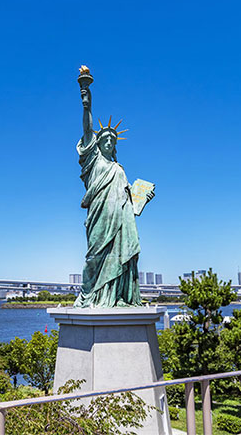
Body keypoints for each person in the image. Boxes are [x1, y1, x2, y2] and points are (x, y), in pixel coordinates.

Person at [74, 69, 154, 308]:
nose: (109, 141)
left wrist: (143, 198)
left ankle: (117, 296)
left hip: (121, 217)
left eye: (112, 140)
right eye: (105, 139)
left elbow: (129, 197)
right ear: (98, 143)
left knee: (121, 254)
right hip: (100, 214)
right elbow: (87, 129)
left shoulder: (119, 168)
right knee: (95, 256)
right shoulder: (93, 159)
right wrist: (87, 102)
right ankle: (91, 296)